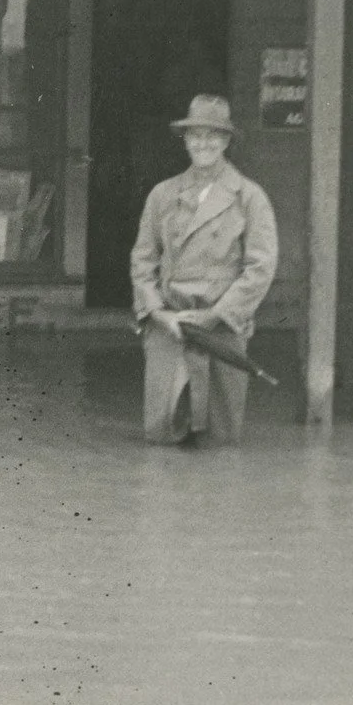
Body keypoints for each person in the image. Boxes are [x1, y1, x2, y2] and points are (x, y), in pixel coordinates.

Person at [129, 94, 278, 445]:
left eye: (212, 136)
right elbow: (143, 260)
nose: (203, 143)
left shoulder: (249, 197)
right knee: (163, 437)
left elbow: (261, 267)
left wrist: (217, 315)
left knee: (218, 441)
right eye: (195, 135)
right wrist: (158, 313)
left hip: (220, 333)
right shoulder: (163, 195)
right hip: (170, 330)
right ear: (185, 140)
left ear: (226, 141)